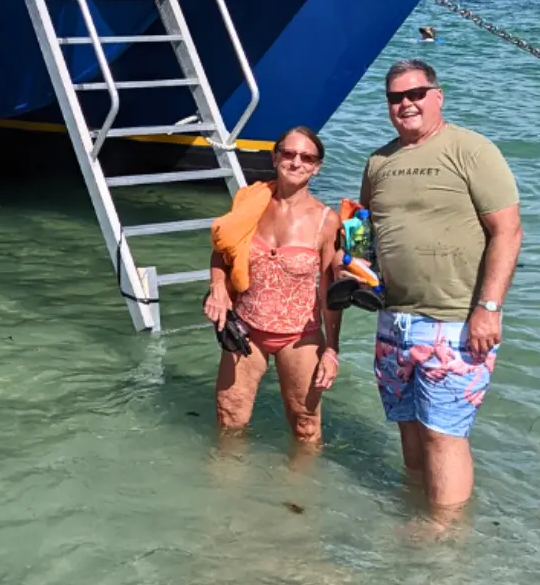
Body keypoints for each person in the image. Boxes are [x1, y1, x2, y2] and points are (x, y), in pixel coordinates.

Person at [358, 59, 522, 515]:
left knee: (443, 433)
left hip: (455, 321)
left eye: (415, 94)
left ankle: (444, 537)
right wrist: (352, 268)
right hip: (394, 321)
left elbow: (508, 230)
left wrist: (488, 307)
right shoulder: (379, 161)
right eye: (395, 97)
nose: (406, 104)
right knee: (410, 426)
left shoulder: (471, 149)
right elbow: (365, 230)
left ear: (438, 96)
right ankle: (418, 510)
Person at [203, 126, 342, 442]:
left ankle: (298, 491)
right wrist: (218, 288)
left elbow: (331, 293)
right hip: (245, 330)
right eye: (289, 154)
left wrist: (332, 349)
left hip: (299, 336)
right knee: (229, 418)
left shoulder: (326, 220)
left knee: (306, 427)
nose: (296, 162)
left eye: (306, 157)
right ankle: (228, 488)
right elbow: (221, 252)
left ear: (316, 167)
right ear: (275, 157)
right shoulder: (251, 203)